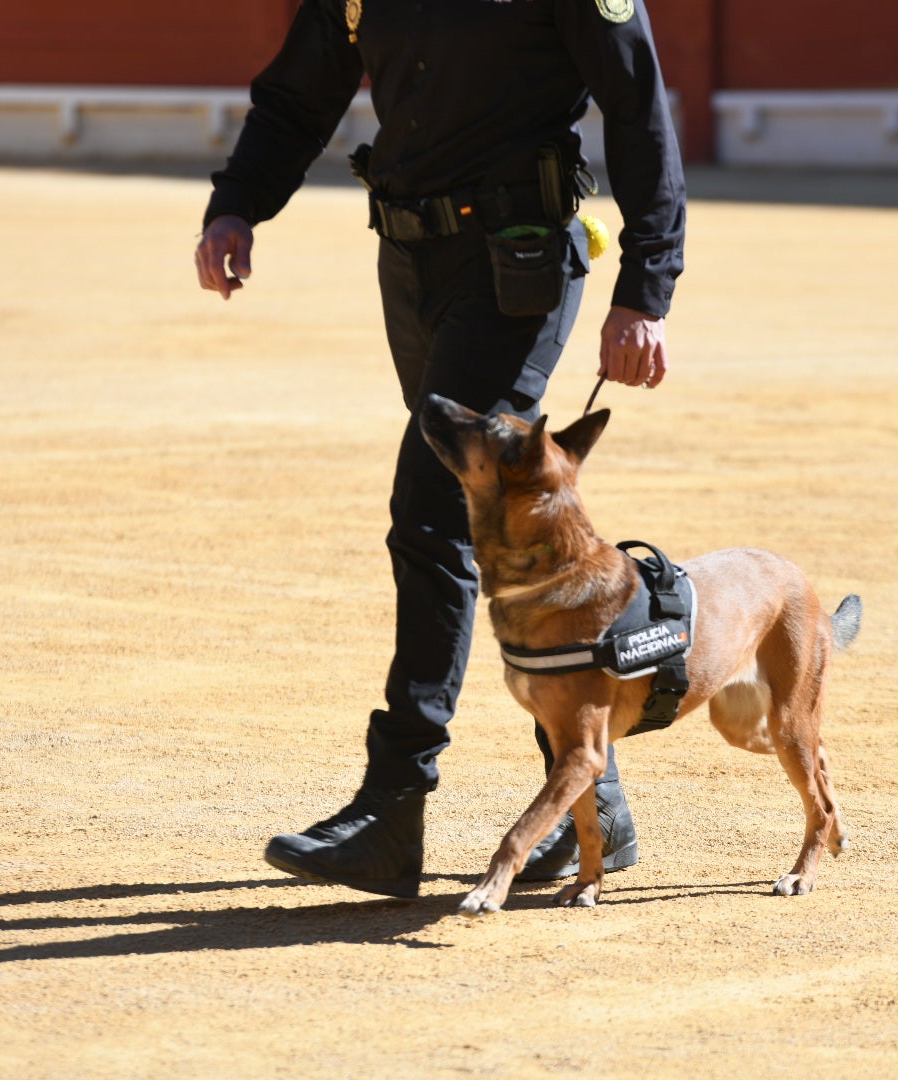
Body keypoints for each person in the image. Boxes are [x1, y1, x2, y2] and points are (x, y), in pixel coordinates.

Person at [194, 0, 685, 898]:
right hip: (410, 262)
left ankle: (393, 804)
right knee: (476, 525)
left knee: (430, 513)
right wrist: (238, 205)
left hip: (519, 259)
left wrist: (645, 286)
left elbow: (637, 104)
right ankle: (597, 805)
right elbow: (299, 97)